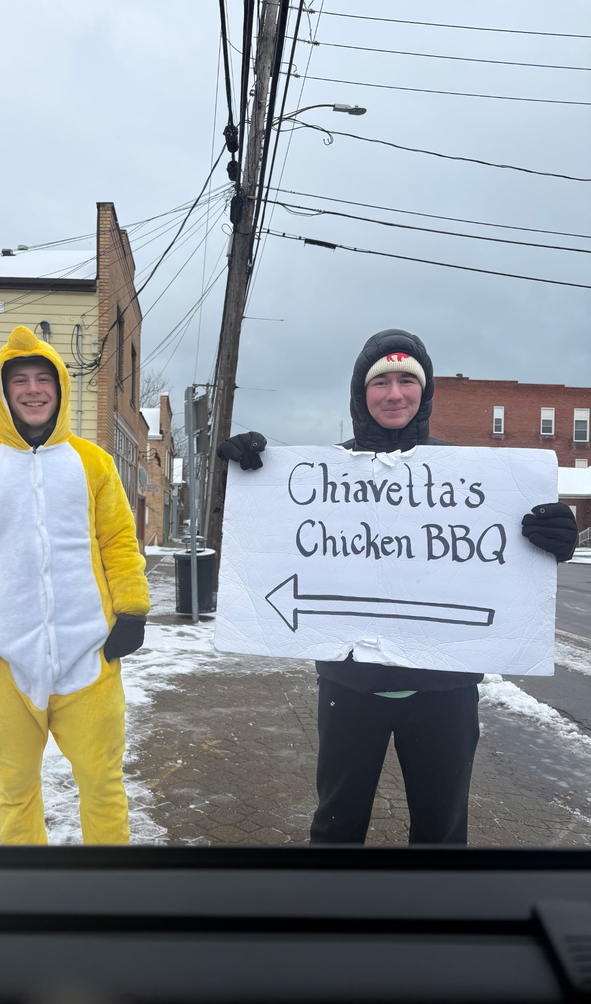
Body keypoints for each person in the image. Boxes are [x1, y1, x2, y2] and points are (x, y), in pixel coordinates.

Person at [218, 328, 578, 845]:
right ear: (359, 395)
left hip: (445, 692)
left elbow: (504, 566)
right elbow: (258, 541)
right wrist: (247, 478)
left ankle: (434, 923)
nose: (394, 394)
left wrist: (551, 542)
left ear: (425, 391)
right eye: (380, 382)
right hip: (350, 687)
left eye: (407, 380)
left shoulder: (473, 479)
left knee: (442, 830)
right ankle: (336, 920)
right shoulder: (322, 476)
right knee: (336, 826)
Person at [0, 325, 150, 845]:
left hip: (88, 652)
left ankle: (110, 898)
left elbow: (119, 540)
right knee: (15, 786)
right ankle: (24, 897)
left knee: (102, 782)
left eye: (42, 379)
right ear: (3, 391)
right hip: (5, 656)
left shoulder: (93, 463)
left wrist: (133, 610)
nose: (33, 390)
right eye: (20, 382)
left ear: (59, 387)